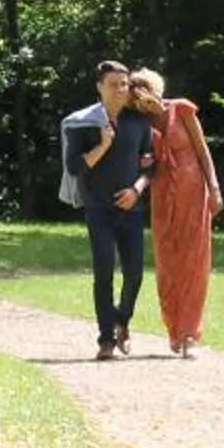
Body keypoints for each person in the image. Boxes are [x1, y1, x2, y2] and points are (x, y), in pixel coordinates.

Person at [64, 60, 157, 359]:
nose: (121, 90)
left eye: (125, 84)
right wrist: (103, 145)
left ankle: (122, 321)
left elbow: (151, 166)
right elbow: (74, 167)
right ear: (99, 88)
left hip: (131, 208)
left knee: (135, 273)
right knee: (103, 272)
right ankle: (106, 339)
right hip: (98, 208)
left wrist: (137, 190)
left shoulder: (138, 122)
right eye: (114, 84)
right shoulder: (84, 123)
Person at [127, 68, 221, 357]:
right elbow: (139, 162)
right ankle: (174, 330)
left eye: (146, 90)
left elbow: (203, 150)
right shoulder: (137, 124)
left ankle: (190, 334)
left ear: (155, 89)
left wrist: (214, 188)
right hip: (163, 195)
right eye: (136, 93)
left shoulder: (180, 109)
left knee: (194, 263)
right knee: (168, 263)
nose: (143, 97)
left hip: (194, 192)